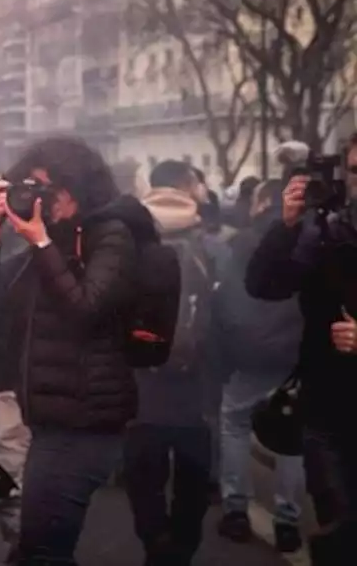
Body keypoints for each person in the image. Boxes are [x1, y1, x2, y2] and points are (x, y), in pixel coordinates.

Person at [0, 136, 153, 566]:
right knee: (39, 547)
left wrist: (40, 242)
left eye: (45, 189)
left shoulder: (111, 235)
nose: (37, 199)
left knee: (41, 549)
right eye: (29, 188)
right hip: (52, 420)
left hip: (87, 421)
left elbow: (86, 308)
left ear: (75, 189)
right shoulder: (49, 243)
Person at [245, 133, 357, 565]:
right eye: (353, 169)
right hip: (327, 408)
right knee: (337, 527)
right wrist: (286, 224)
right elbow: (264, 284)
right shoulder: (328, 230)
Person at [126, 160, 220, 566]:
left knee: (143, 481)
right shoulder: (212, 243)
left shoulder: (127, 239)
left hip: (139, 386)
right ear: (187, 186)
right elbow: (228, 314)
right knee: (193, 483)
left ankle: (155, 544)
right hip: (195, 389)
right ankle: (180, 550)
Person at [213, 178, 305, 553]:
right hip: (293, 355)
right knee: (290, 439)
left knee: (234, 425)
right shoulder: (310, 237)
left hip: (247, 352)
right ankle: (288, 521)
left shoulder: (242, 241)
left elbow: (228, 299)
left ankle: (235, 509)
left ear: (263, 201)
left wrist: (228, 347)